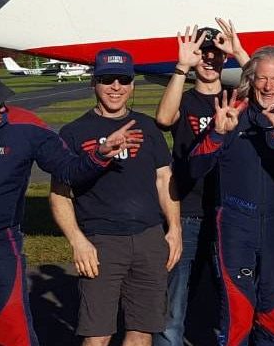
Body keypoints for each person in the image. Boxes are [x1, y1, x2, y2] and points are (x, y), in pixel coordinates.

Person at [0, 64, 127, 345]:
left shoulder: (26, 126)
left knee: (15, 332)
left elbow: (68, 169)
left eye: (1, 99)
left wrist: (98, 156)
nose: (1, 109)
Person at [50, 48, 179, 345]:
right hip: (101, 242)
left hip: (148, 238)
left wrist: (174, 229)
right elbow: (59, 193)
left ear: (133, 83)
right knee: (97, 335)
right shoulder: (73, 133)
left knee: (142, 331)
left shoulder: (147, 127)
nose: (116, 87)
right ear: (93, 83)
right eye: (107, 79)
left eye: (123, 79)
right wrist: (77, 240)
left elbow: (164, 179)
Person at [187, 45, 274, 346]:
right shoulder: (231, 115)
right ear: (250, 79)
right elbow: (195, 166)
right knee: (239, 314)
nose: (268, 87)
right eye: (262, 79)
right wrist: (217, 133)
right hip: (235, 222)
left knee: (273, 309)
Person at [153, 21, 249, 346]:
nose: (209, 60)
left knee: (231, 301)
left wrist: (237, 50)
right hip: (189, 213)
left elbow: (270, 89)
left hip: (229, 213)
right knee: (174, 306)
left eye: (215, 54)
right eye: (202, 54)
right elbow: (164, 119)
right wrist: (182, 66)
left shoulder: (236, 98)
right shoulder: (186, 99)